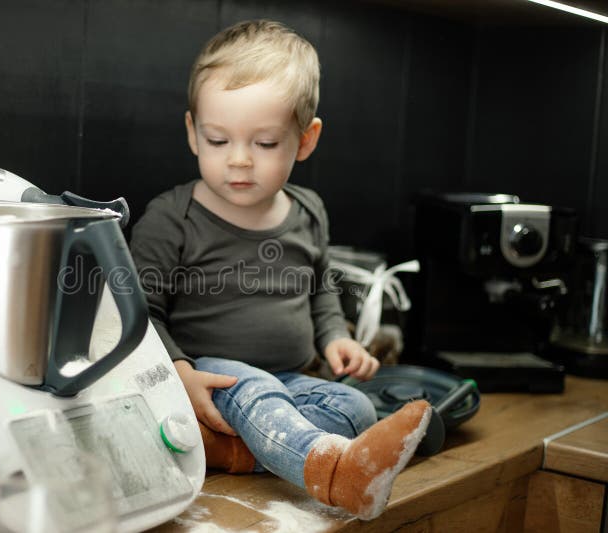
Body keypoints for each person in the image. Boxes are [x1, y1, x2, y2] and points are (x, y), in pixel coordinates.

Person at [129, 19, 430, 521]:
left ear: (305, 139)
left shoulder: (308, 211)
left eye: (265, 143)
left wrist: (336, 337)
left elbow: (320, 290)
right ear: (192, 132)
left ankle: (237, 451)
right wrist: (181, 373)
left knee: (356, 409)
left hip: (290, 379)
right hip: (213, 378)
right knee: (251, 389)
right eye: (218, 140)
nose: (240, 161)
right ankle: (332, 471)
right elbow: (139, 311)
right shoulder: (171, 218)